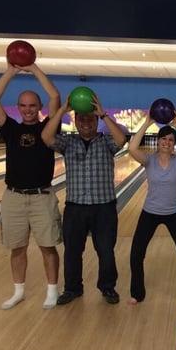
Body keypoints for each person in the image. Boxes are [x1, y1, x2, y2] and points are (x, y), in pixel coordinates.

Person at [0, 62, 61, 310]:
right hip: (13, 197)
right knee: (17, 248)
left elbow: (55, 96)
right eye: (23, 105)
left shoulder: (49, 127)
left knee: (47, 247)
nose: (28, 110)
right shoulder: (10, 129)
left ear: (39, 107)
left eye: (32, 105)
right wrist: (12, 70)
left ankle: (52, 291)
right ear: (17, 108)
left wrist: (34, 68)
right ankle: (18, 291)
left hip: (42, 196)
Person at [41, 93, 126, 305]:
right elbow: (46, 137)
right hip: (75, 208)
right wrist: (62, 110)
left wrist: (104, 114)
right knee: (72, 252)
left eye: (90, 119)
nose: (85, 123)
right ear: (75, 120)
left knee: (106, 251)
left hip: (104, 208)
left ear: (96, 120)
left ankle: (107, 287)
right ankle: (72, 289)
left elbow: (122, 139)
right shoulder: (68, 142)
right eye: (81, 118)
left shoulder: (106, 142)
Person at [128, 114, 176, 303]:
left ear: (174, 143)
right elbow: (132, 147)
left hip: (174, 213)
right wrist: (147, 123)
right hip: (149, 212)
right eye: (163, 139)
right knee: (136, 254)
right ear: (158, 141)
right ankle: (137, 294)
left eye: (170, 140)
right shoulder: (148, 160)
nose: (166, 142)